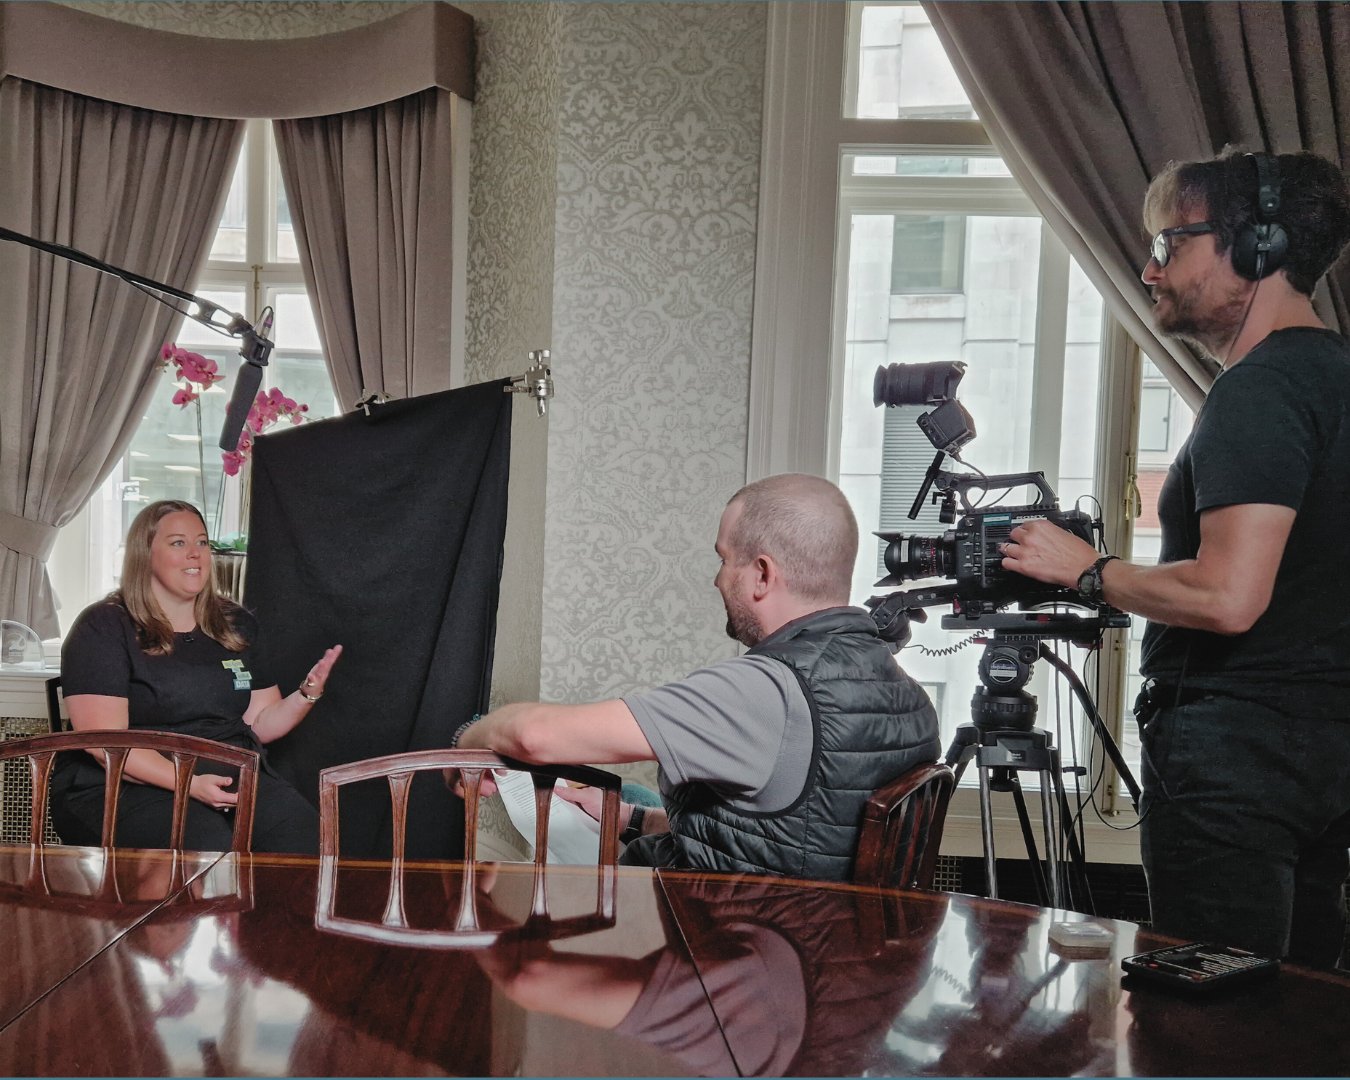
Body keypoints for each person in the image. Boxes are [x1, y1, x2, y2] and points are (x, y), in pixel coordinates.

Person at [999, 150, 1350, 969]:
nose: (1150, 270)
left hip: (1237, 758)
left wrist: (1087, 570)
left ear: (1255, 246)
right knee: (1299, 1007)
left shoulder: (1260, 389)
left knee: (1208, 1009)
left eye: (1169, 244)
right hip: (1326, 750)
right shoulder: (1335, 375)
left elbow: (1229, 596)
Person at [448, 473, 940, 881]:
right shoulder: (910, 698)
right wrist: (631, 819)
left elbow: (532, 737)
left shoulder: (766, 692)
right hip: (821, 943)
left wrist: (469, 737)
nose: (718, 579)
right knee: (632, 798)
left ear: (763, 574)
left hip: (715, 945)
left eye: (724, 560)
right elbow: (794, 837)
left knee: (497, 905)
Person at [53, 500, 341, 854]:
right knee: (206, 847)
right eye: (178, 542)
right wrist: (191, 784)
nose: (195, 553)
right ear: (145, 554)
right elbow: (106, 745)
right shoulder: (103, 626)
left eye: (201, 542)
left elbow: (258, 724)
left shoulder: (235, 623)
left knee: (305, 837)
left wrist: (306, 694)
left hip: (225, 773)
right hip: (120, 784)